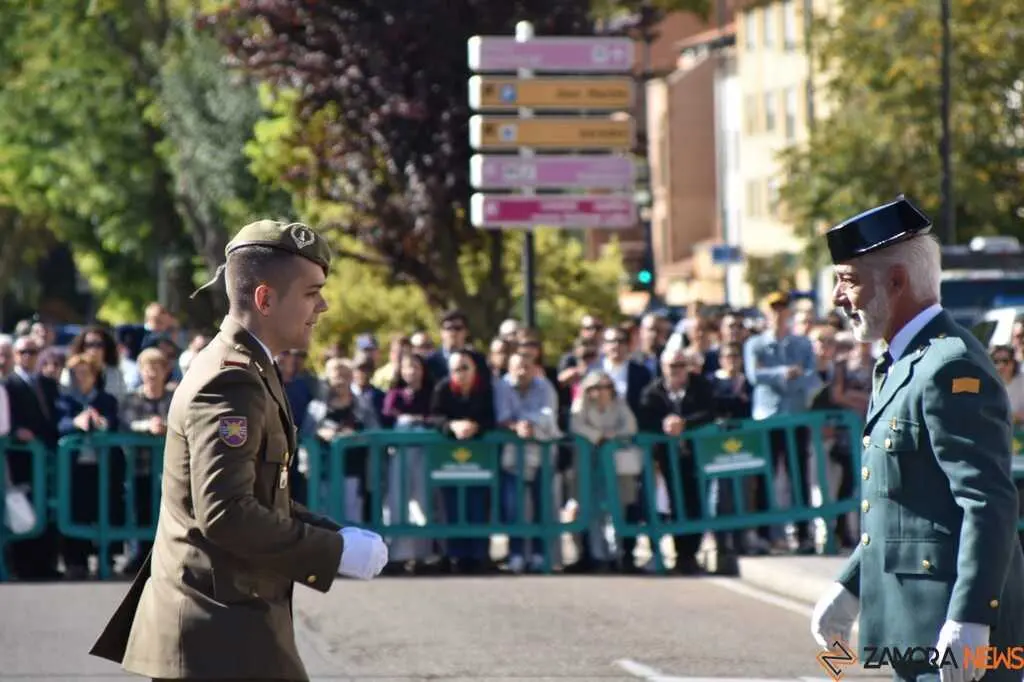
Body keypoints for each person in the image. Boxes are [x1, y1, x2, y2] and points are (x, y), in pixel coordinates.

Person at [89, 220, 389, 681]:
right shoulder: (231, 379)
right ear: (265, 299)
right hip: (218, 631)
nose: (323, 306)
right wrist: (332, 551)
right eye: (311, 293)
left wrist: (337, 533)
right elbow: (226, 512)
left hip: (228, 624)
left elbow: (264, 494)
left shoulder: (251, 367)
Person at [809, 196, 1024, 682]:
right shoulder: (901, 362)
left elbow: (987, 501)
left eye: (848, 280)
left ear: (898, 281)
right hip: (914, 630)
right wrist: (850, 588)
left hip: (955, 634)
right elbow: (905, 505)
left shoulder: (950, 365)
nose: (840, 299)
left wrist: (971, 616)